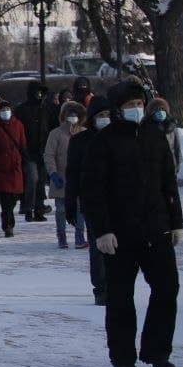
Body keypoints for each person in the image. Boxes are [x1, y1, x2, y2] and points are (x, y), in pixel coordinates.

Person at [81, 82, 183, 367]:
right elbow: (93, 191)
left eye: (139, 103)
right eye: (129, 105)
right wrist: (101, 231)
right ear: (117, 110)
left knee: (167, 288)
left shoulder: (155, 136)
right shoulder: (104, 142)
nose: (136, 110)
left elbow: (169, 183)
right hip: (120, 233)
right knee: (120, 296)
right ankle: (123, 355)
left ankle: (157, 350)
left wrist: (176, 222)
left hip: (156, 229)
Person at [65, 96, 113, 304]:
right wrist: (70, 203)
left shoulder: (119, 138)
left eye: (109, 115)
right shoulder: (80, 141)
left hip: (120, 200)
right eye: (101, 116)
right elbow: (72, 174)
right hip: (92, 201)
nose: (105, 119)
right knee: (98, 246)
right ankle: (101, 287)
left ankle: (117, 284)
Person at [43, 100, 86, 248]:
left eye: (75, 114)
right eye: (70, 114)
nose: (73, 117)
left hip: (80, 178)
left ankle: (80, 236)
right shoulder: (56, 134)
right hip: (61, 177)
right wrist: (53, 173)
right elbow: (49, 155)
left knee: (81, 208)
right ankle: (61, 236)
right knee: (61, 209)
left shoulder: (84, 133)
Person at [0, 100, 26, 237]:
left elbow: (23, 143)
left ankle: (8, 219)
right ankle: (8, 225)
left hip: (15, 166)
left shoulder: (18, 125)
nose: (5, 112)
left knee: (13, 198)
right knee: (6, 199)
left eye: (7, 109)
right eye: (2, 110)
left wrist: (21, 157)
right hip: (1, 167)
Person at [14, 81, 54, 221]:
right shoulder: (21, 110)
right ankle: (28, 207)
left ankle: (38, 208)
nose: (39, 94)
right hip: (28, 151)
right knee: (32, 178)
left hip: (43, 150)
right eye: (37, 91)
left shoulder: (46, 109)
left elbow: (51, 128)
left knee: (41, 181)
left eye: (41, 92)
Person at [146, 97, 182, 175]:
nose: (160, 112)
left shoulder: (172, 127)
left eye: (162, 109)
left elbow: (177, 147)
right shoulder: (146, 128)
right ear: (151, 112)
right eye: (157, 110)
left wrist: (177, 165)